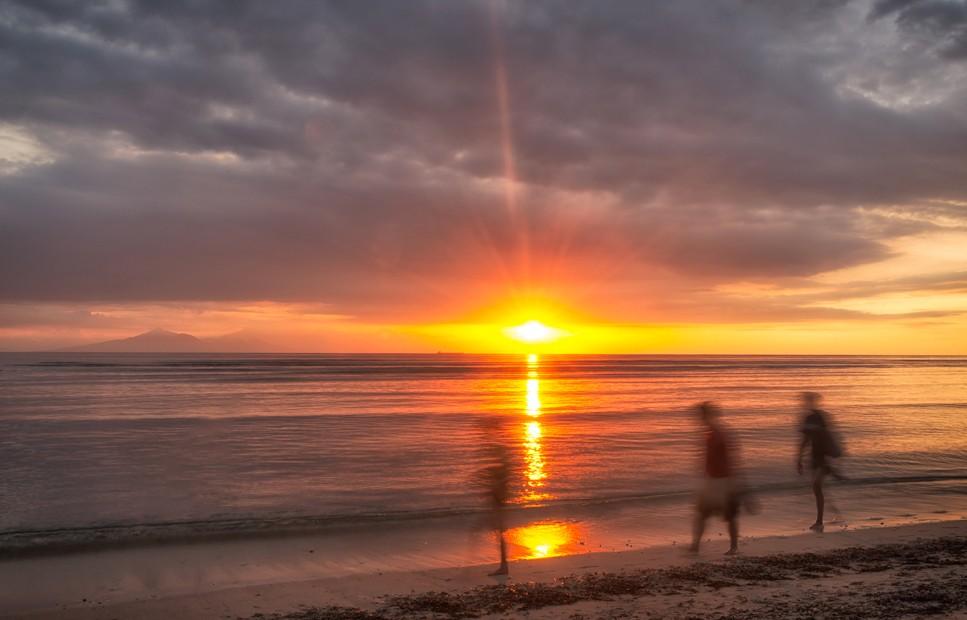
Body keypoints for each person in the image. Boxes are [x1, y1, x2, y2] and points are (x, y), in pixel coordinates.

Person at [690, 401, 745, 555]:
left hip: (723, 481)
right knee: (702, 514)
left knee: (728, 516)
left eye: (701, 415)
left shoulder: (719, 434)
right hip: (712, 481)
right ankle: (695, 546)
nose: (698, 419)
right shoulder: (710, 433)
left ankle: (734, 547)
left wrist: (735, 483)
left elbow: (730, 459)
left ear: (707, 416)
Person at [796, 392, 844, 532]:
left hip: (821, 457)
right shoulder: (811, 418)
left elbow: (826, 437)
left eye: (807, 401)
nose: (805, 404)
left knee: (817, 487)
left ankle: (819, 521)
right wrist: (799, 459)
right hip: (815, 457)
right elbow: (806, 440)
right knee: (818, 489)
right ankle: (829, 517)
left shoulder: (817, 418)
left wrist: (799, 459)